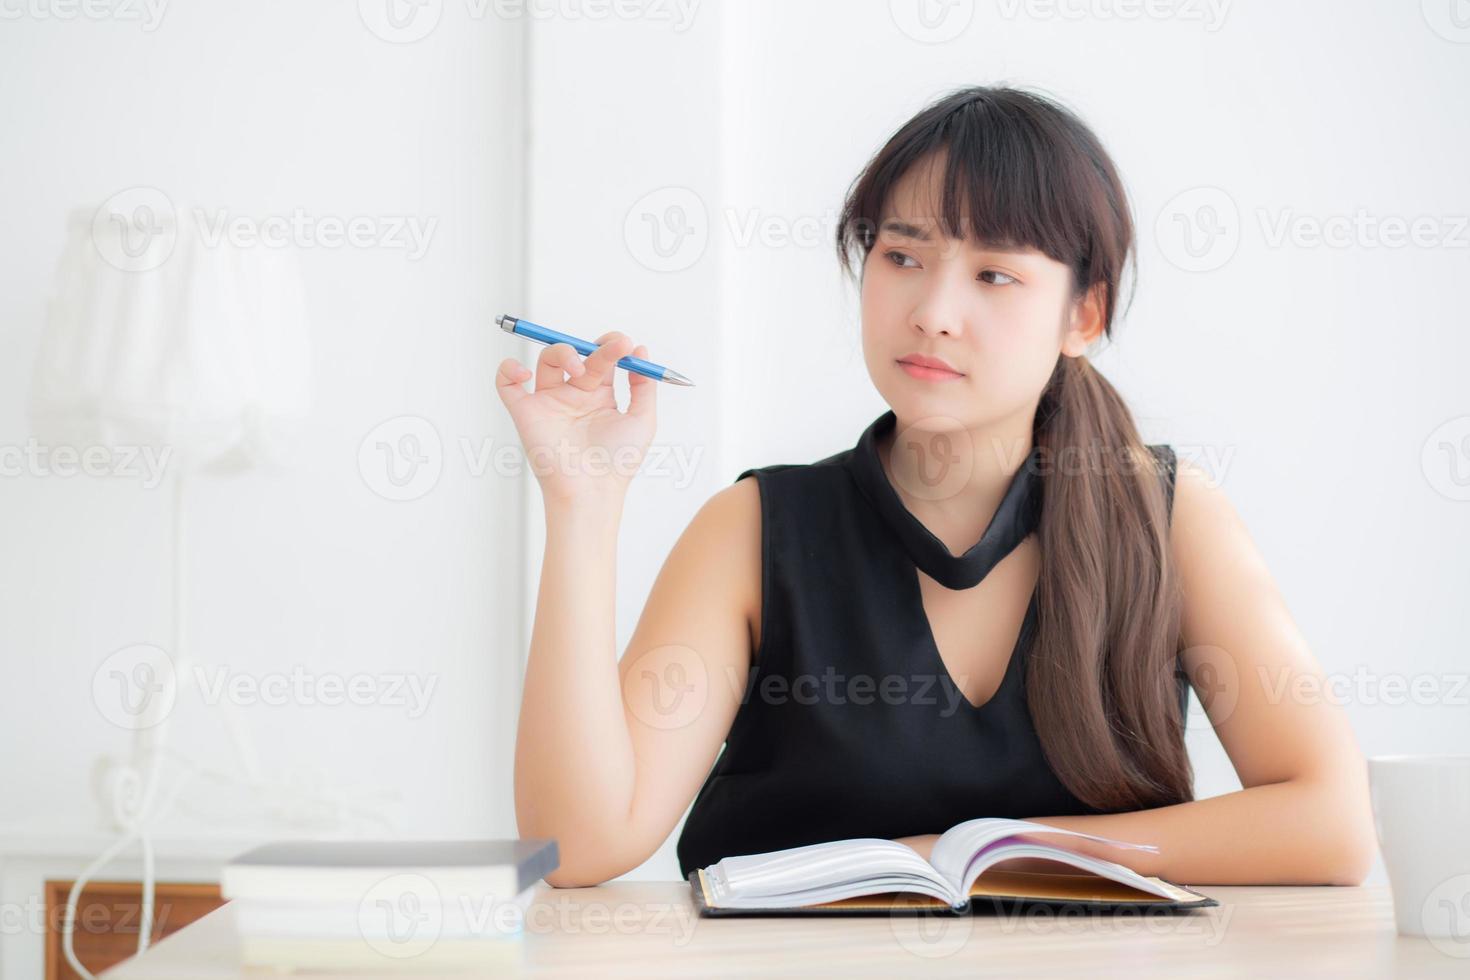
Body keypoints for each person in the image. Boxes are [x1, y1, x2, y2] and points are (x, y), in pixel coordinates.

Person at [496, 85, 1375, 888]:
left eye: (994, 274)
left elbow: (1331, 825)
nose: (932, 311)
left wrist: (982, 855)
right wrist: (583, 504)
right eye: (903, 257)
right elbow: (578, 845)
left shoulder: (1170, 518)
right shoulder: (754, 529)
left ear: (1084, 315)